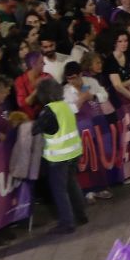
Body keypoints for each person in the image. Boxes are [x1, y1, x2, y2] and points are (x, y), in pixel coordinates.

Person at [34, 76, 87, 234]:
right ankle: (81, 215)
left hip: (58, 157)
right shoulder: (65, 106)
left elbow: (35, 129)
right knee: (72, 184)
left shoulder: (48, 110)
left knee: (59, 190)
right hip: (74, 152)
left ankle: (67, 222)